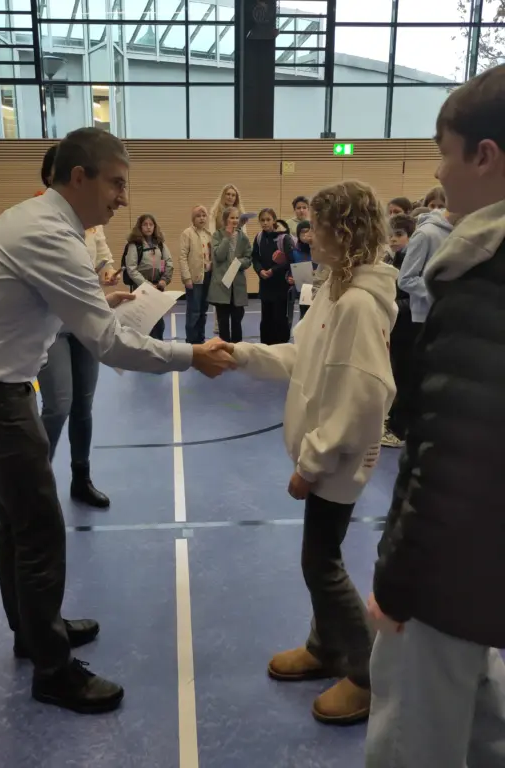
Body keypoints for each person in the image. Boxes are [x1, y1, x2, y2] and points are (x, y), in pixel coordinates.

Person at [0, 127, 235, 716]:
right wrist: (190, 355)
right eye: (116, 183)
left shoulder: (44, 222)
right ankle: (52, 670)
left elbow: (59, 305)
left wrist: (107, 301)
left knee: (17, 521)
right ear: (79, 177)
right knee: (39, 527)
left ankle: (33, 632)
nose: (124, 197)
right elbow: (108, 344)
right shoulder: (50, 233)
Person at [366, 63, 505, 768]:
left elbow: (455, 459)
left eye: (444, 154)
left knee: (412, 741)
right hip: (485, 571)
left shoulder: (483, 276)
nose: (439, 173)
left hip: (451, 578)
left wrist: (398, 584)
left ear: (485, 156)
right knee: (484, 726)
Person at [229, 180, 397, 725]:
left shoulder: (358, 305)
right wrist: (240, 354)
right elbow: (299, 356)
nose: (308, 234)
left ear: (342, 232)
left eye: (318, 226)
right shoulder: (333, 290)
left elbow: (362, 399)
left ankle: (368, 676)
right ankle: (324, 648)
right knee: (320, 555)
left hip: (338, 459)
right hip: (329, 454)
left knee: (321, 563)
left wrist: (311, 464)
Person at [36, 144, 118, 509]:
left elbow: (103, 259)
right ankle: (37, 481)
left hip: (85, 321)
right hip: (53, 325)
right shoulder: (39, 218)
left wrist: (107, 272)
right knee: (59, 404)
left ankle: (80, 478)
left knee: (83, 405)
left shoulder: (91, 223)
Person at [381, 214, 415, 448]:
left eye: (399, 235)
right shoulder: (393, 259)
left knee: (404, 377)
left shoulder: (412, 262)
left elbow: (414, 299)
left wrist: (390, 305)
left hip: (408, 328)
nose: (393, 239)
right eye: (391, 235)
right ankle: (393, 419)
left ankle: (399, 430)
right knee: (394, 375)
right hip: (396, 327)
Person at [124, 213, 173, 340]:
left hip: (158, 286)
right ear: (140, 227)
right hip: (140, 287)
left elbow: (167, 262)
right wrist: (147, 285)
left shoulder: (160, 244)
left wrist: (164, 280)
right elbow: (132, 268)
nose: (148, 227)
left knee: (158, 322)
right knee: (142, 321)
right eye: (145, 224)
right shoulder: (135, 245)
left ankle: (158, 345)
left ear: (155, 227)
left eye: (151, 224)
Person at [208, 206, 252, 343]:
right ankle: (224, 347)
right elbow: (219, 256)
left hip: (237, 286)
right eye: (232, 218)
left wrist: (239, 262)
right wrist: (227, 237)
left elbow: (248, 258)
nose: (235, 220)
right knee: (223, 321)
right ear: (225, 220)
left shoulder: (243, 237)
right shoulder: (217, 235)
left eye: (237, 218)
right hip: (222, 285)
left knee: (237, 320)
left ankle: (237, 348)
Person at [252, 208, 292, 345]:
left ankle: (281, 346)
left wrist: (273, 271)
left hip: (281, 286)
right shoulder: (259, 238)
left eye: (268, 219)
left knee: (279, 318)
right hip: (265, 285)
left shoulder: (284, 238)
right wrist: (260, 271)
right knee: (266, 318)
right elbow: (255, 258)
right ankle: (265, 346)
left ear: (274, 220)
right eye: (262, 220)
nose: (265, 223)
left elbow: (290, 261)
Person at [180, 205, 212, 344]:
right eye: (198, 216)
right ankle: (191, 342)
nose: (201, 218)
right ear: (193, 219)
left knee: (203, 311)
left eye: (204, 215)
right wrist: (187, 278)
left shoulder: (209, 234)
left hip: (208, 277)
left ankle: (201, 339)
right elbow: (182, 257)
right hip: (194, 279)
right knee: (194, 312)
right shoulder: (187, 233)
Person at [286, 219, 316, 325]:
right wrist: (289, 278)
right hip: (302, 291)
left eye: (308, 231)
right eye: (302, 232)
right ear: (298, 235)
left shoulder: (318, 250)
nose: (305, 235)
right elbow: (289, 270)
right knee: (304, 317)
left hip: (318, 290)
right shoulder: (294, 252)